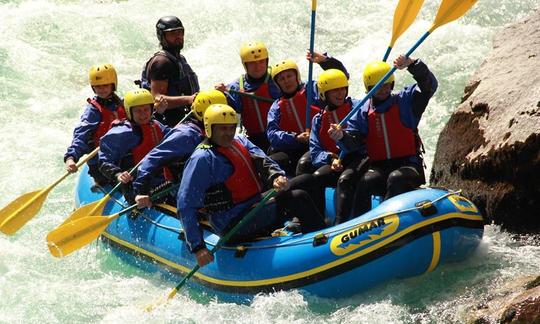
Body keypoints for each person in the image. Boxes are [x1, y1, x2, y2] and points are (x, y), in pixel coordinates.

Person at [177, 104, 326, 267]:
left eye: (231, 128)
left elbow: (263, 160)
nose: (228, 133)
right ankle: (322, 247)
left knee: (307, 180)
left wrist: (276, 176)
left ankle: (309, 227)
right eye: (222, 129)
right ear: (209, 129)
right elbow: (185, 204)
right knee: (298, 198)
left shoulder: (239, 140)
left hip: (253, 204)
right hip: (233, 222)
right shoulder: (202, 159)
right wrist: (198, 247)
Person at [329, 55, 438, 214]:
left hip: (408, 166)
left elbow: (429, 86)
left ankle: (385, 221)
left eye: (387, 85)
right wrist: (341, 137)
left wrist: (413, 64)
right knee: (365, 181)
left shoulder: (405, 101)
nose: (384, 89)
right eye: (378, 86)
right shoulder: (363, 111)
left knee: (396, 177)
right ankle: (359, 226)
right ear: (369, 88)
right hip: (380, 168)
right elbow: (353, 141)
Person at [133, 89, 228, 208]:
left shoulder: (223, 131)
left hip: (209, 186)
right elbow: (152, 158)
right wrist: (140, 191)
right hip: (184, 191)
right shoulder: (186, 135)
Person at [266, 51, 348, 176]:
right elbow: (272, 134)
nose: (286, 81)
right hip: (296, 146)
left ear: (296, 76)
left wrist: (324, 61)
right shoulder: (276, 106)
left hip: (320, 144)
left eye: (289, 76)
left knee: (304, 163)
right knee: (271, 160)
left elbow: (340, 78)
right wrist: (295, 138)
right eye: (282, 79)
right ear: (277, 84)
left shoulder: (313, 89)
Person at [310, 69, 368, 224]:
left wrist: (344, 136)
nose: (340, 93)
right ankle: (318, 222)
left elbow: (362, 136)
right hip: (337, 161)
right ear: (324, 94)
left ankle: (340, 225)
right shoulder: (318, 119)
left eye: (343, 88)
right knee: (316, 177)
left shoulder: (358, 106)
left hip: (360, 156)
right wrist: (330, 158)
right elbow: (315, 152)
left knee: (345, 179)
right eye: (335, 90)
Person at [98, 89, 170, 203]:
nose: (143, 114)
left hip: (159, 178)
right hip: (134, 183)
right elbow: (104, 161)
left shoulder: (156, 125)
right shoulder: (121, 133)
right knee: (130, 183)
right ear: (129, 111)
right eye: (138, 111)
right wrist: (118, 174)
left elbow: (172, 137)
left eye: (146, 109)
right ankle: (135, 201)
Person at [64, 63, 126, 186]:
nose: (101, 89)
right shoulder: (92, 111)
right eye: (98, 86)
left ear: (113, 85)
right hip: (101, 164)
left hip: (122, 156)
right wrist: (71, 158)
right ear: (93, 87)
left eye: (105, 85)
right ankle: (100, 184)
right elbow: (81, 135)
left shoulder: (121, 103)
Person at [215, 41, 281, 152]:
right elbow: (227, 111)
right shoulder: (235, 87)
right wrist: (220, 95)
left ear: (266, 61)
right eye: (252, 63)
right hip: (255, 139)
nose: (258, 66)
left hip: (279, 134)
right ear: (245, 65)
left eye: (261, 61)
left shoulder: (278, 78)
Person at [137, 15, 200, 127]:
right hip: (168, 123)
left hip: (185, 116)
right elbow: (156, 98)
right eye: (172, 34)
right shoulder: (162, 62)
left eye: (180, 32)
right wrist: (188, 99)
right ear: (162, 37)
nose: (178, 37)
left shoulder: (180, 59)